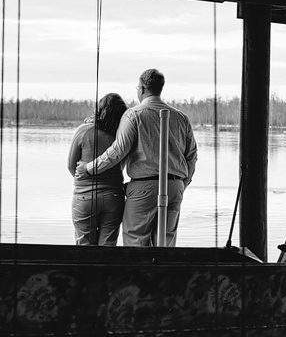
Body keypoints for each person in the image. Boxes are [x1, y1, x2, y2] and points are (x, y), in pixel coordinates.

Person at [75, 69, 197, 246]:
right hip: (175, 186)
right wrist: (183, 183)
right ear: (160, 88)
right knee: (166, 242)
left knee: (135, 240)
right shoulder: (181, 118)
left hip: (144, 186)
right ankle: (163, 273)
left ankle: (138, 274)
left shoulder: (133, 114)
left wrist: (89, 168)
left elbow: (118, 150)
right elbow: (192, 156)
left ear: (142, 88)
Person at [66, 92, 128, 245]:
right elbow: (122, 164)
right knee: (108, 245)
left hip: (84, 196)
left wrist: (85, 178)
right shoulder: (122, 136)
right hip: (113, 196)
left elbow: (71, 165)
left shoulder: (84, 130)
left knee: (84, 246)